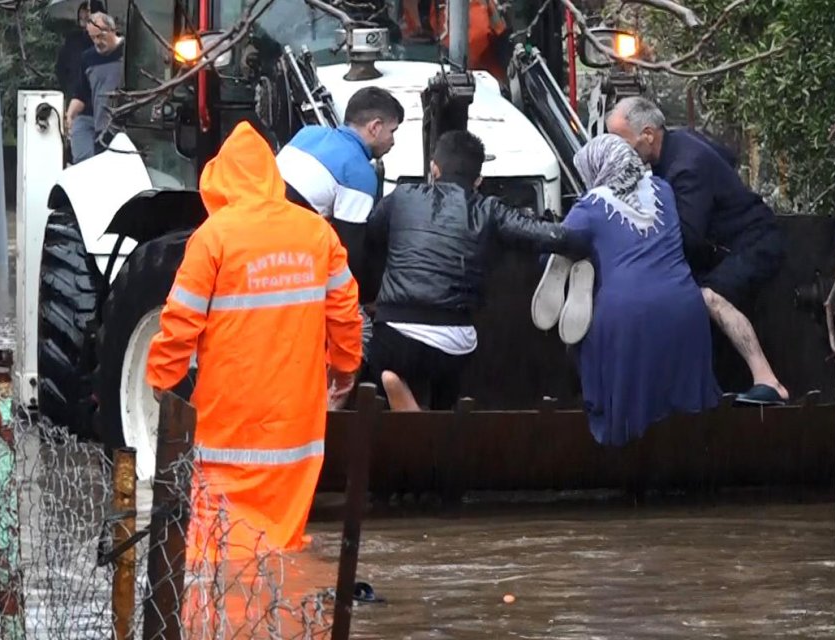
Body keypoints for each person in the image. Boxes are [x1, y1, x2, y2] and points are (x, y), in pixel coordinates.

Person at [145, 122, 362, 578]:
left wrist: (161, 383)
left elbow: (180, 321)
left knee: (217, 550)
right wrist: (344, 372)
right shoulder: (317, 233)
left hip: (229, 422)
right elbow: (345, 315)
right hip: (296, 426)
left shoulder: (213, 237)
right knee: (284, 546)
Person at [363, 130, 587, 411]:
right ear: (478, 180)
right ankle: (434, 420)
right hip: (453, 337)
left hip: (395, 331)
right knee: (449, 388)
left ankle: (400, 398)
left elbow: (370, 235)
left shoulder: (401, 197)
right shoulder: (489, 209)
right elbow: (546, 236)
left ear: (434, 168)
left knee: (379, 366)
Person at [536, 134, 721, 446]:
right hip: (686, 309)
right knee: (680, 407)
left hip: (626, 315)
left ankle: (621, 441)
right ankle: (683, 450)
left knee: (586, 353)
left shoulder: (591, 207)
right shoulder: (664, 190)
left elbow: (551, 248)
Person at [605, 96, 790, 406]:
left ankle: (768, 381)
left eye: (622, 143)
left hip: (753, 244)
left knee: (709, 296)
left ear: (648, 134)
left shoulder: (685, 167)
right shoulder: (680, 140)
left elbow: (687, 238)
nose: (619, 153)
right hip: (729, 245)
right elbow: (727, 157)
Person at [277, 86, 404, 351]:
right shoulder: (358, 173)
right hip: (288, 261)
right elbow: (351, 251)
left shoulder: (307, 134)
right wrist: (367, 299)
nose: (393, 142)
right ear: (375, 127)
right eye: (392, 132)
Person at [64, 11, 124, 163]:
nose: (97, 42)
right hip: (99, 125)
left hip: (122, 124)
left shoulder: (127, 53)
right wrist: (70, 114)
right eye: (93, 38)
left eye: (101, 36)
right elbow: (81, 93)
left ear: (112, 30)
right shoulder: (88, 58)